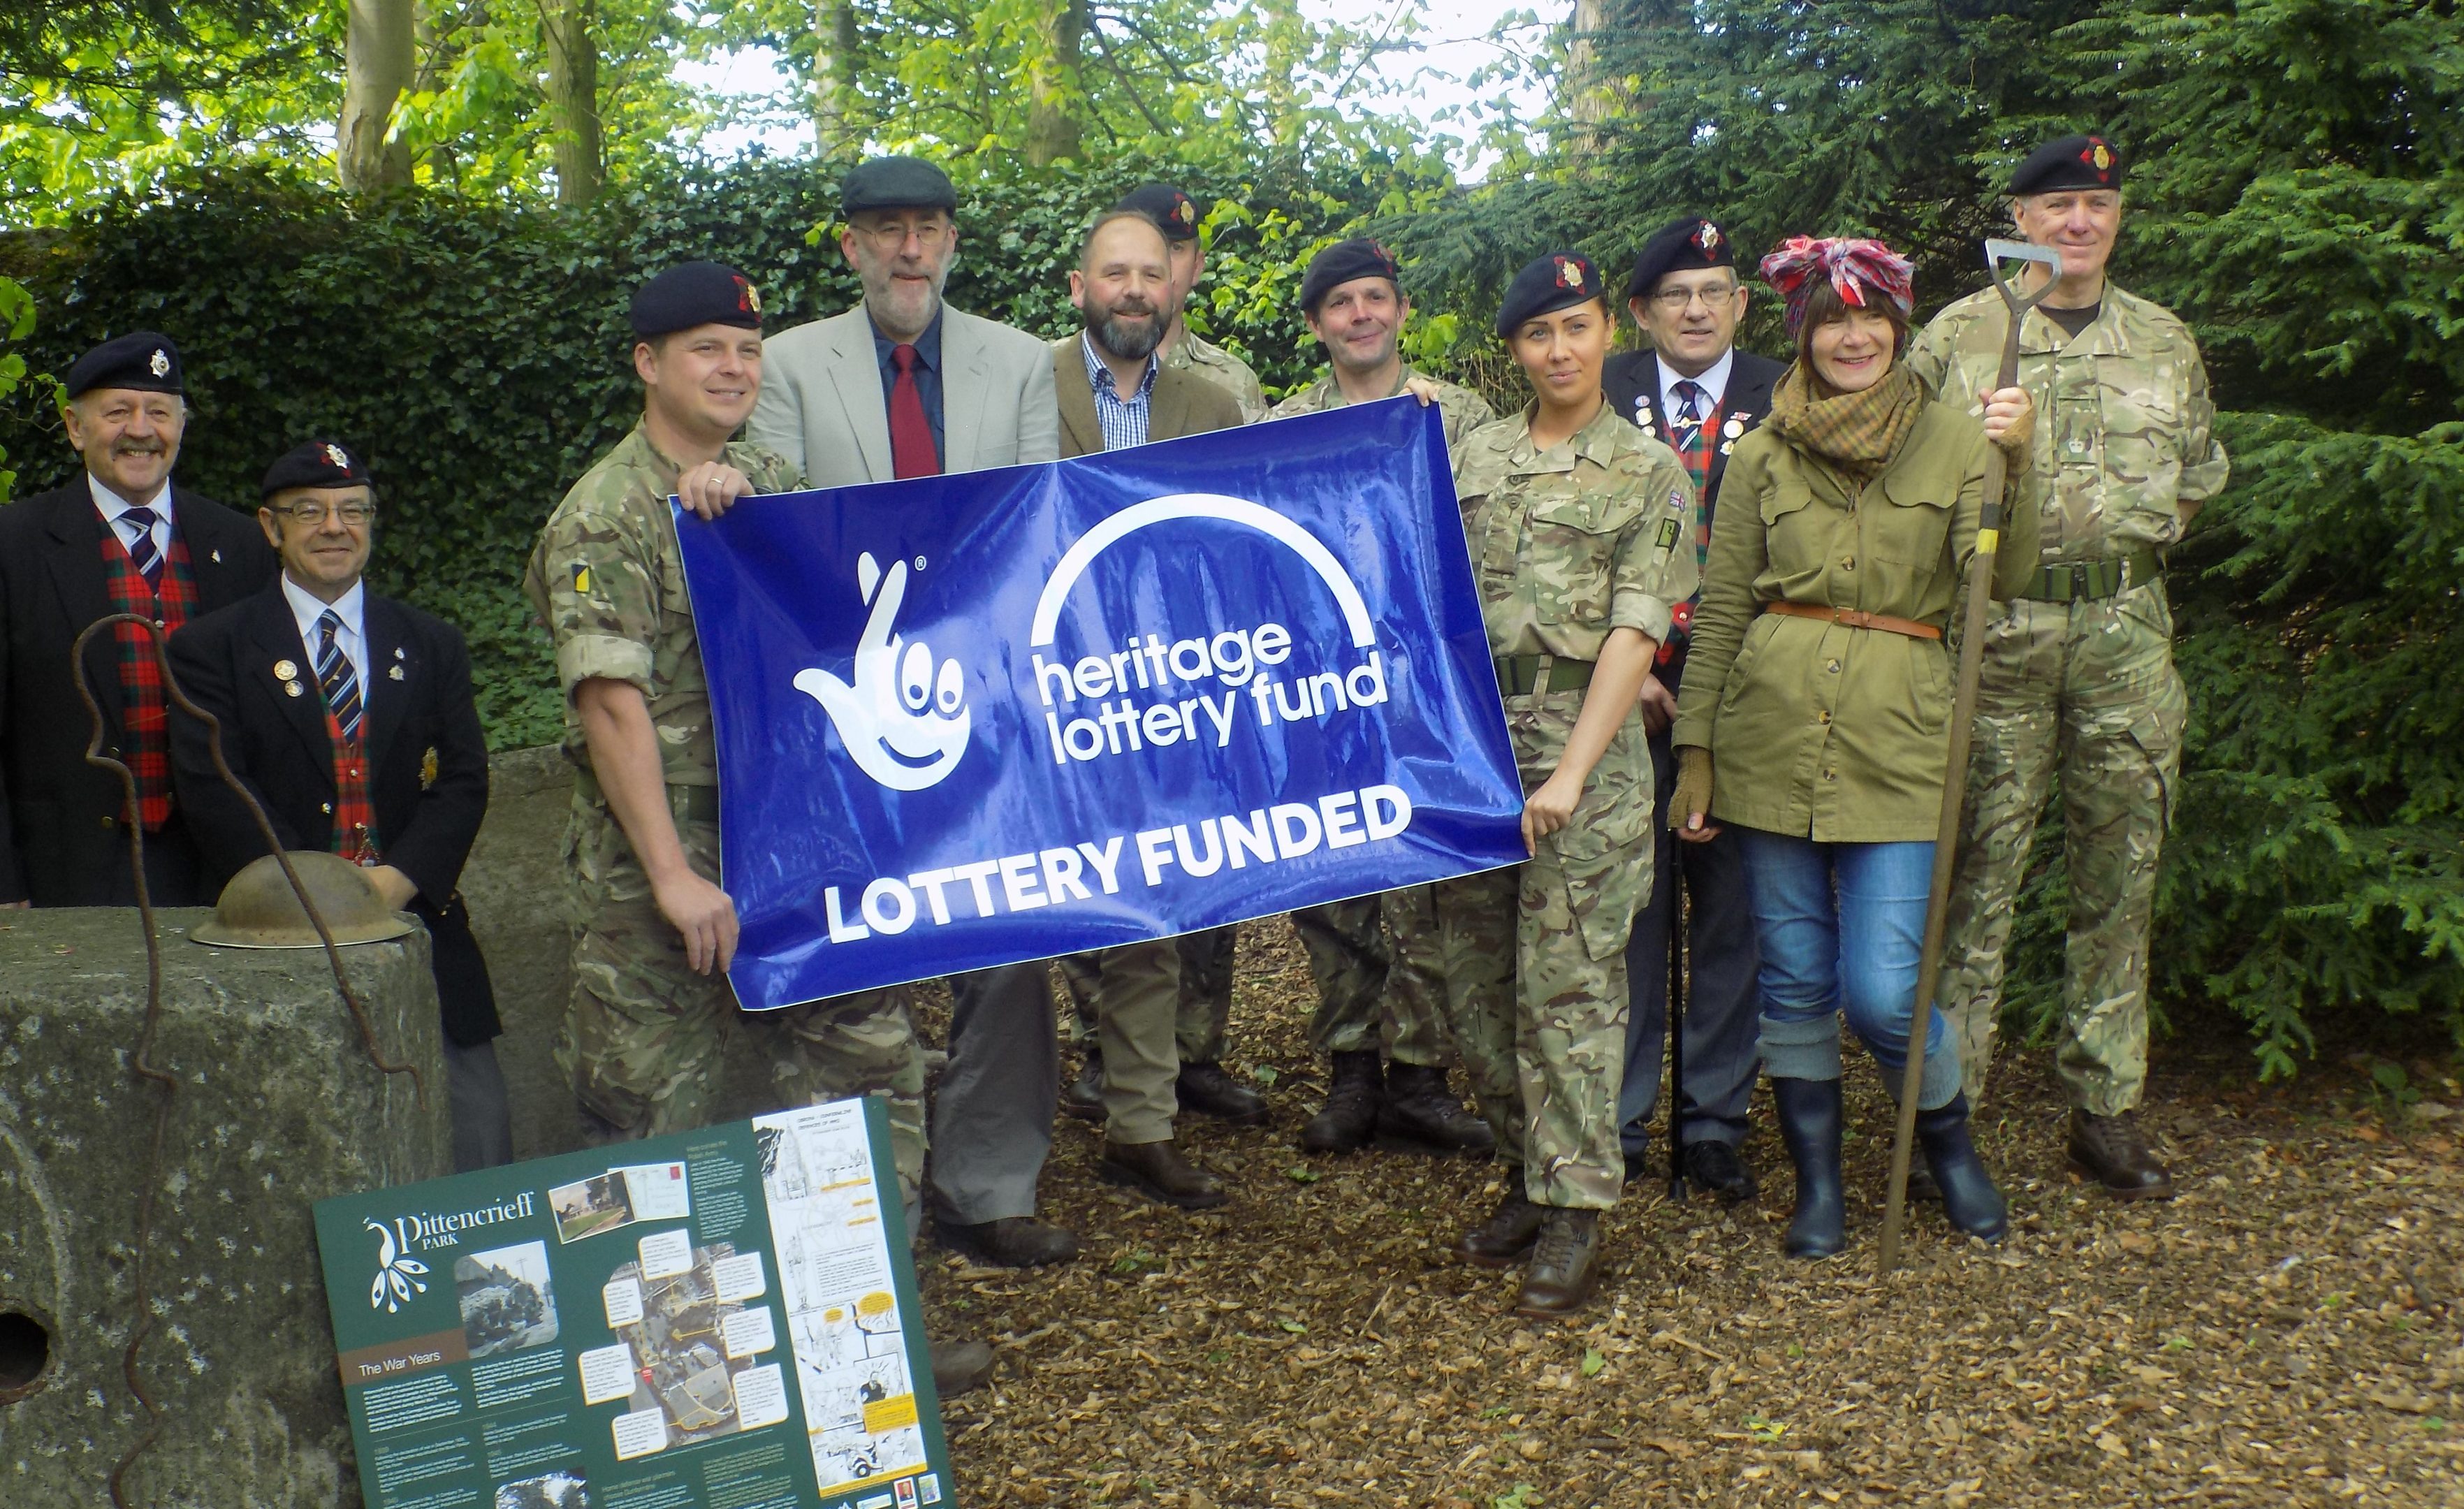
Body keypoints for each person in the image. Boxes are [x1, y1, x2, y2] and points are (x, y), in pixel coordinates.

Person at [527, 261, 991, 1393]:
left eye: (747, 350)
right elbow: (609, 705)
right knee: (662, 1121)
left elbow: (845, 637)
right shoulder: (604, 513)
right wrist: (677, 878)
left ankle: (868, 1340)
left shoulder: (774, 481)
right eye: (706, 350)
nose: (733, 369)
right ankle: (691, 1392)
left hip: (802, 860)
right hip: (664, 882)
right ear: (648, 364)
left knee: (868, 1086)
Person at [1668, 235, 2041, 1259]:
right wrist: (1695, 752)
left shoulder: (1957, 440)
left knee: (1885, 988)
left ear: (1895, 326)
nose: (1849, 335)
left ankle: (1948, 1147)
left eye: (1866, 316)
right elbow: (1724, 603)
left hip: (1902, 742)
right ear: (1802, 332)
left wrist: (2020, 459)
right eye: (1828, 319)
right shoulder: (1760, 453)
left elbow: (2006, 578)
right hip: (1767, 738)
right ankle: (1818, 1183)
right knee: (1791, 976)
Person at [748, 156, 1078, 1271]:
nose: (908, 250)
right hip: (840, 712)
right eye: (885, 230)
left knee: (1008, 939)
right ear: (850, 248)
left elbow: (1035, 526)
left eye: (926, 229)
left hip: (983, 702)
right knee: (859, 956)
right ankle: (860, 1215)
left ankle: (986, 1189)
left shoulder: (1020, 362)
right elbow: (775, 532)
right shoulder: (787, 366)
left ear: (948, 244)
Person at [1909, 134, 2229, 1201]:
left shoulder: (2162, 338)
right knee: (1974, 880)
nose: (2076, 223)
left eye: (2095, 203)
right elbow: (1903, 480)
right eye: (2056, 206)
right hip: (1994, 638)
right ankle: (1946, 1117)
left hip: (2125, 640)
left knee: (2117, 875)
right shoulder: (1961, 335)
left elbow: (2194, 478)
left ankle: (2103, 1109)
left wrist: (2124, 560)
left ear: (2117, 216)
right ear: (2021, 218)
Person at [1442, 252, 1700, 1315]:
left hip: (1578, 752)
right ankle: (1524, 1168)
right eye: (1538, 333)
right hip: (1470, 743)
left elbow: (1637, 635)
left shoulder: (1648, 470)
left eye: (1576, 327)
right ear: (1514, 350)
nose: (1559, 350)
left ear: (1608, 334)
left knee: (1570, 985)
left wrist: (1571, 773)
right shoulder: (1472, 457)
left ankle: (1577, 1207)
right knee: (1473, 981)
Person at [168, 440, 511, 1171]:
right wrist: (309, 893)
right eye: (310, 512)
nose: (334, 527)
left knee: (476, 1138)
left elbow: (463, 778)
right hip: (269, 932)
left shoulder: (429, 643)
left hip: (411, 917)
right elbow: (216, 784)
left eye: (353, 511)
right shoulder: (211, 647)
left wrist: (394, 883)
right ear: (270, 527)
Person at [1261, 237, 1496, 1158]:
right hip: (1318, 683)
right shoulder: (1282, 425)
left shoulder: (1458, 414)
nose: (1359, 315)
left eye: (1373, 298)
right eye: (1339, 304)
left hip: (1424, 684)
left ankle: (1420, 1077)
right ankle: (1350, 1070)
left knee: (1424, 881)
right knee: (1335, 881)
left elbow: (1488, 538)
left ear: (1399, 310)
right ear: (1318, 323)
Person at [1047, 207, 1246, 1211]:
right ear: (1078, 288)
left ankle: (1140, 1126)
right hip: (1038, 693)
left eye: (1150, 274)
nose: (1133, 289)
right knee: (1011, 929)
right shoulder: (1017, 388)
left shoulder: (1211, 405)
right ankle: (984, 1160)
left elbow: (1238, 548)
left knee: (1147, 910)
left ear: (1173, 290)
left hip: (1160, 701)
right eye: (1112, 273)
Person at [1600, 217, 1785, 1201]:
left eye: (1713, 290)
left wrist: (1714, 682)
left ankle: (1711, 1122)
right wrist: (1626, 675)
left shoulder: (1783, 397)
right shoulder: (1599, 394)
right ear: (1640, 314)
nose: (1696, 308)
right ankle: (1620, 1119)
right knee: (1627, 914)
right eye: (1674, 294)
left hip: (1741, 697)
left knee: (1727, 918)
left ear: (1739, 303)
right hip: (1620, 700)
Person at [0, 333, 275, 908]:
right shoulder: (14, 543)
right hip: (65, 868)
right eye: (117, 412)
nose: (141, 430)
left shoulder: (241, 543)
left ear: (181, 425)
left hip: (220, 866)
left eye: (159, 412)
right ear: (77, 428)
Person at [1116, 182, 1268, 422]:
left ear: (1197, 267)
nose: (1159, 264)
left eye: (1175, 248)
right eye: (1146, 247)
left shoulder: (1234, 381)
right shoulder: (1053, 368)